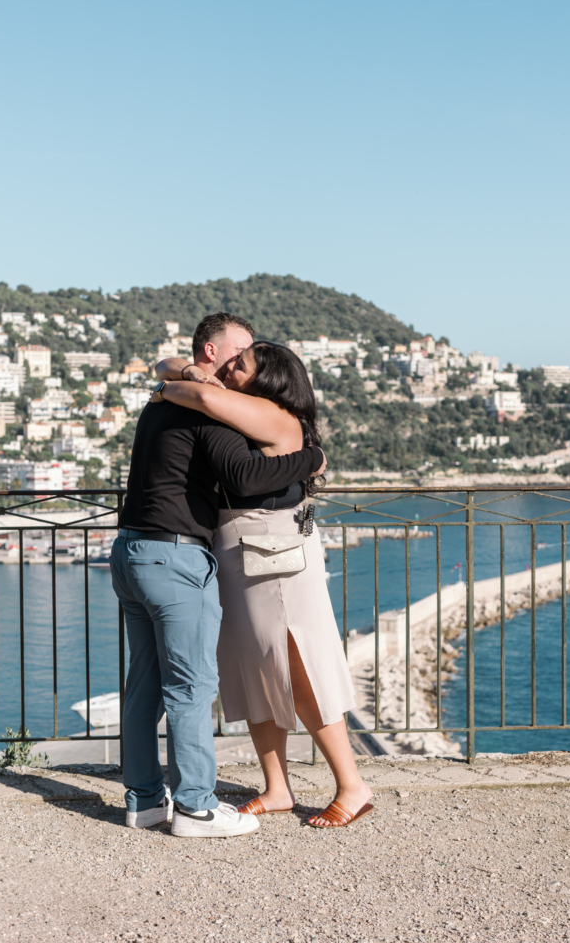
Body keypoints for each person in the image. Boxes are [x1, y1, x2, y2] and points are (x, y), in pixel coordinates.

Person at [112, 312, 326, 839]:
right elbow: (245, 475)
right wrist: (310, 459)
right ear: (211, 354)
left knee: (144, 686)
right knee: (190, 687)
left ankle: (144, 800)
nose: (241, 364)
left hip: (131, 550)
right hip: (176, 558)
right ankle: (194, 807)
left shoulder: (165, 395)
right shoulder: (211, 406)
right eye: (238, 354)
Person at [154, 339, 374, 828]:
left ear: (268, 379)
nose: (229, 369)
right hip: (241, 552)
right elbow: (165, 366)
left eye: (240, 365)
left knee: (300, 669)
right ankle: (278, 788)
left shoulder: (272, 415)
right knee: (255, 671)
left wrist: (180, 384)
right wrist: (185, 371)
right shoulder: (244, 409)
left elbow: (204, 399)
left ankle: (352, 785)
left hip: (277, 558)